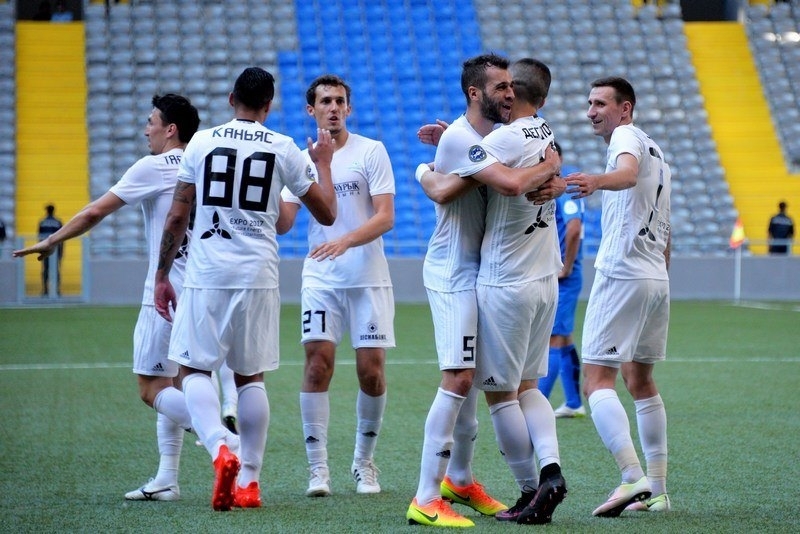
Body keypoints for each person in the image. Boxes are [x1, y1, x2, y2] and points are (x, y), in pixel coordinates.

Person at [154, 67, 337, 512]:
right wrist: (323, 164)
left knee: (192, 370)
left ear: (231, 98)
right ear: (268, 106)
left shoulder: (201, 143)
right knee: (250, 376)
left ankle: (220, 447)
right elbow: (328, 213)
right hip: (258, 275)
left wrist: (162, 274)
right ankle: (250, 482)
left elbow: (178, 216)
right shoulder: (283, 147)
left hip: (208, 273)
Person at [14, 94, 206, 502]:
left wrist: (52, 240)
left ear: (171, 129)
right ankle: (167, 479)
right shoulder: (205, 162)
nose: (146, 129)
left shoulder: (154, 166)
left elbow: (94, 212)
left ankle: (223, 438)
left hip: (166, 291)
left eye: (152, 121)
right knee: (174, 381)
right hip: (206, 290)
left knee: (151, 388)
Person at [416, 58, 567, 525]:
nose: (507, 93)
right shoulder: (483, 138)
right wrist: (425, 169)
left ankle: (462, 479)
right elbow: (448, 191)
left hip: (494, 275)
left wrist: (554, 173)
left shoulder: (492, 139)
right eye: (499, 86)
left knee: (490, 385)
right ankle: (426, 496)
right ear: (474, 93)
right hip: (456, 274)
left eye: (510, 86)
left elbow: (487, 168)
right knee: (464, 380)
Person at [276, 75, 395, 497]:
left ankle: (364, 463)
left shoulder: (371, 151)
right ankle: (318, 469)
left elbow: (385, 217)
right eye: (325, 101)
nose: (333, 107)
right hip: (322, 277)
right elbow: (284, 222)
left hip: (367, 277)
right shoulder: (299, 160)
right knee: (317, 365)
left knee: (372, 372)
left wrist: (345, 241)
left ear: (349, 108)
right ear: (311, 110)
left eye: (339, 101)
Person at [565, 76, 672, 516]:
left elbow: (625, 175)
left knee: (596, 381)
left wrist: (595, 180)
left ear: (625, 109)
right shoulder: (658, 153)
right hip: (655, 278)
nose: (591, 111)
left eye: (600, 104)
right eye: (589, 103)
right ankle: (659, 491)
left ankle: (632, 477)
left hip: (623, 272)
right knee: (640, 381)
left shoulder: (626, 138)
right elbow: (667, 230)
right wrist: (658, 277)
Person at [538, 142, 586, 418]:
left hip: (563, 276)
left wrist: (565, 267)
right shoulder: (554, 185)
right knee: (564, 338)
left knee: (553, 339)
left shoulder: (564, 185)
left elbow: (574, 227)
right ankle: (573, 402)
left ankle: (538, 406)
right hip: (558, 272)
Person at [37, 204, 63, 296]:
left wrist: (40, 250)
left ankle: (45, 290)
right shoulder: (58, 222)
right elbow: (62, 237)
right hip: (56, 249)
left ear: (47, 211)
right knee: (56, 270)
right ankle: (57, 290)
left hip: (45, 249)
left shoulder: (42, 222)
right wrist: (61, 251)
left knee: (45, 269)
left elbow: (39, 237)